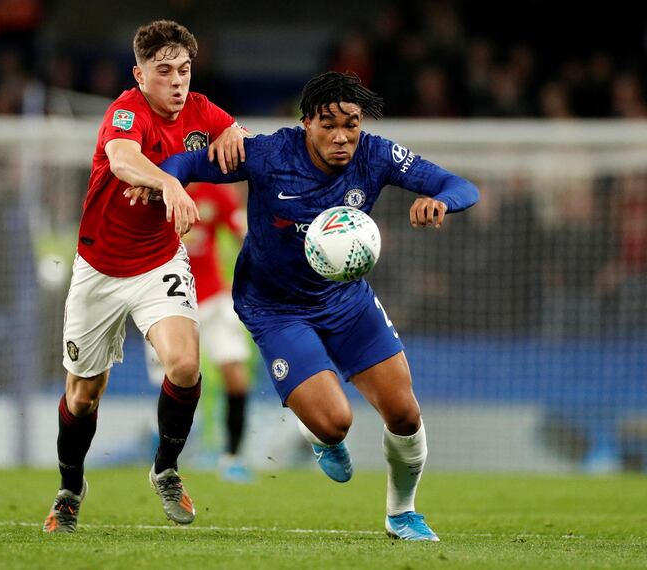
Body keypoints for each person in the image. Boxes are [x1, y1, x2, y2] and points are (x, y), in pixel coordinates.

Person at [128, 71, 479, 541]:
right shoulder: (270, 153)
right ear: (307, 123)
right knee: (336, 424)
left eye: (350, 124)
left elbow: (459, 185)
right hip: (274, 308)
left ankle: (403, 514)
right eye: (328, 124)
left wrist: (440, 202)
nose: (341, 136)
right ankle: (322, 437)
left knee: (404, 413)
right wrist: (165, 184)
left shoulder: (376, 154)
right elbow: (186, 166)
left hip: (346, 300)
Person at [42, 20, 248, 533]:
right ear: (139, 75)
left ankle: (166, 469)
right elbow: (122, 158)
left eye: (184, 70)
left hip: (159, 263)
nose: (177, 81)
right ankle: (70, 488)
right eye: (164, 71)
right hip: (99, 269)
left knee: (184, 365)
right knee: (83, 395)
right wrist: (171, 183)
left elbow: (236, 137)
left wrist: (235, 141)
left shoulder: (200, 111)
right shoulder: (125, 112)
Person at [144, 182, 253, 482]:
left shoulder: (214, 191)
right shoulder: (154, 184)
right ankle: (162, 454)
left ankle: (233, 457)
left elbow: (241, 233)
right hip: (165, 300)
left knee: (235, 373)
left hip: (213, 298)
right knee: (171, 379)